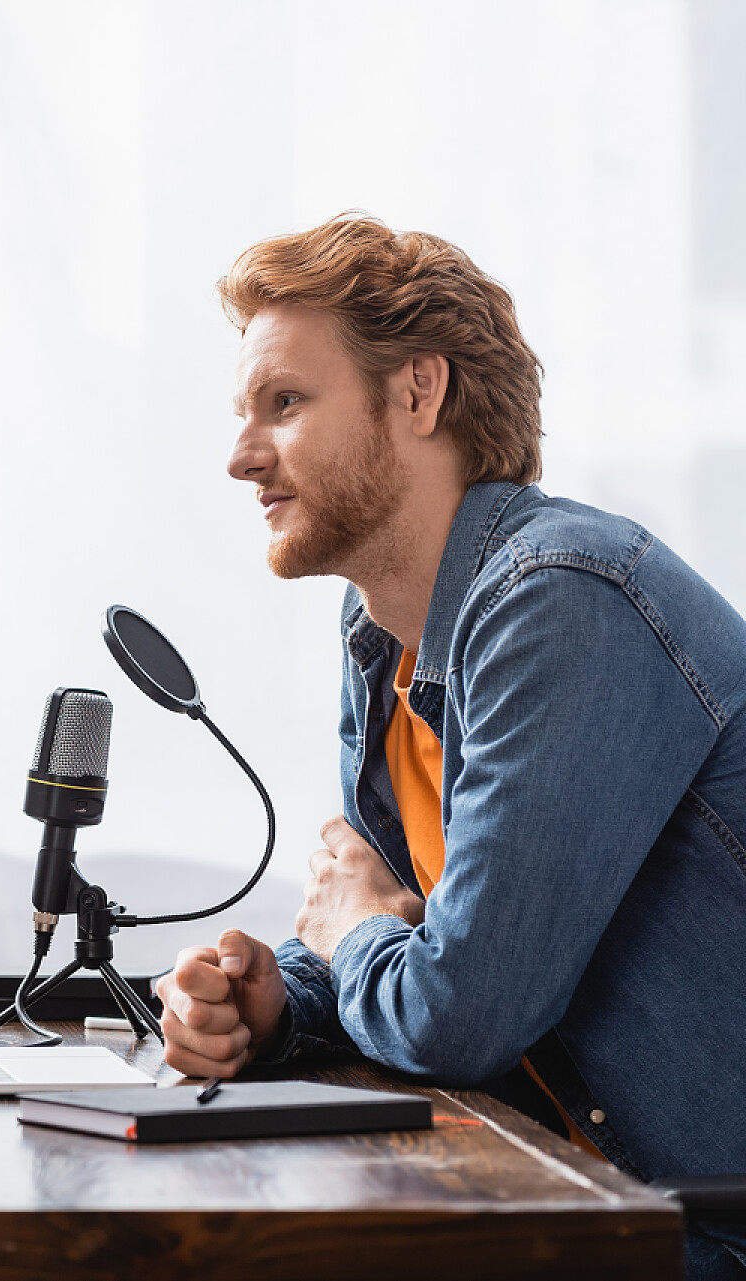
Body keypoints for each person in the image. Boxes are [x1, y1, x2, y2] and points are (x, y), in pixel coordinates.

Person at [151, 215, 746, 1278]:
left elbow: (459, 1012)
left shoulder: (558, 598)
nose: (242, 457)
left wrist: (353, 936)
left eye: (285, 404)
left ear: (418, 392)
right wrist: (279, 1002)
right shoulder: (386, 631)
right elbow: (410, 934)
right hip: (553, 1188)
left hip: (690, 1228)